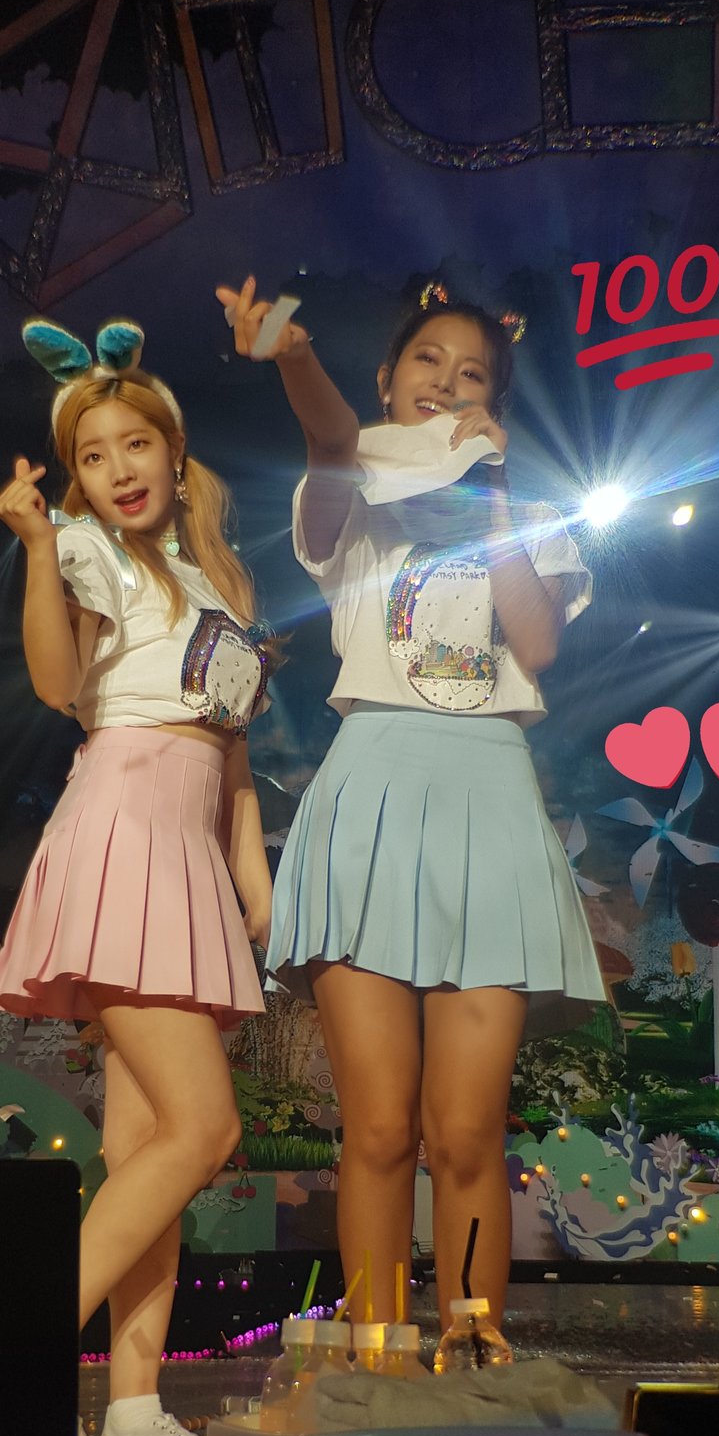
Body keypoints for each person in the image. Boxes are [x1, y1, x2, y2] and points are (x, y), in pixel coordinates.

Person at [216, 275, 605, 1333]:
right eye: (428, 360)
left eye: (473, 373)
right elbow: (330, 440)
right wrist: (294, 354)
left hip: (491, 801)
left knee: (467, 1131)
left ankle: (474, 1342)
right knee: (380, 1129)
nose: (447, 382)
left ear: (497, 404)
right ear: (389, 379)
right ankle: (378, 1349)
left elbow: (536, 645)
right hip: (373, 795)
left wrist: (495, 488)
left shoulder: (531, 514)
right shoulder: (353, 500)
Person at [0, 318, 273, 1436]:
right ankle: (5, 1369)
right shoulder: (84, 550)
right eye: (93, 454)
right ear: (76, 478)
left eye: (135, 442)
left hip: (189, 847)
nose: (119, 467)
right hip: (123, 829)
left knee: (147, 1144)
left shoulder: (215, 580)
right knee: (205, 1130)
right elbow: (60, 683)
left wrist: (252, 876)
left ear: (172, 446)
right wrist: (35, 548)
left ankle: (136, 1407)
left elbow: (231, 750)